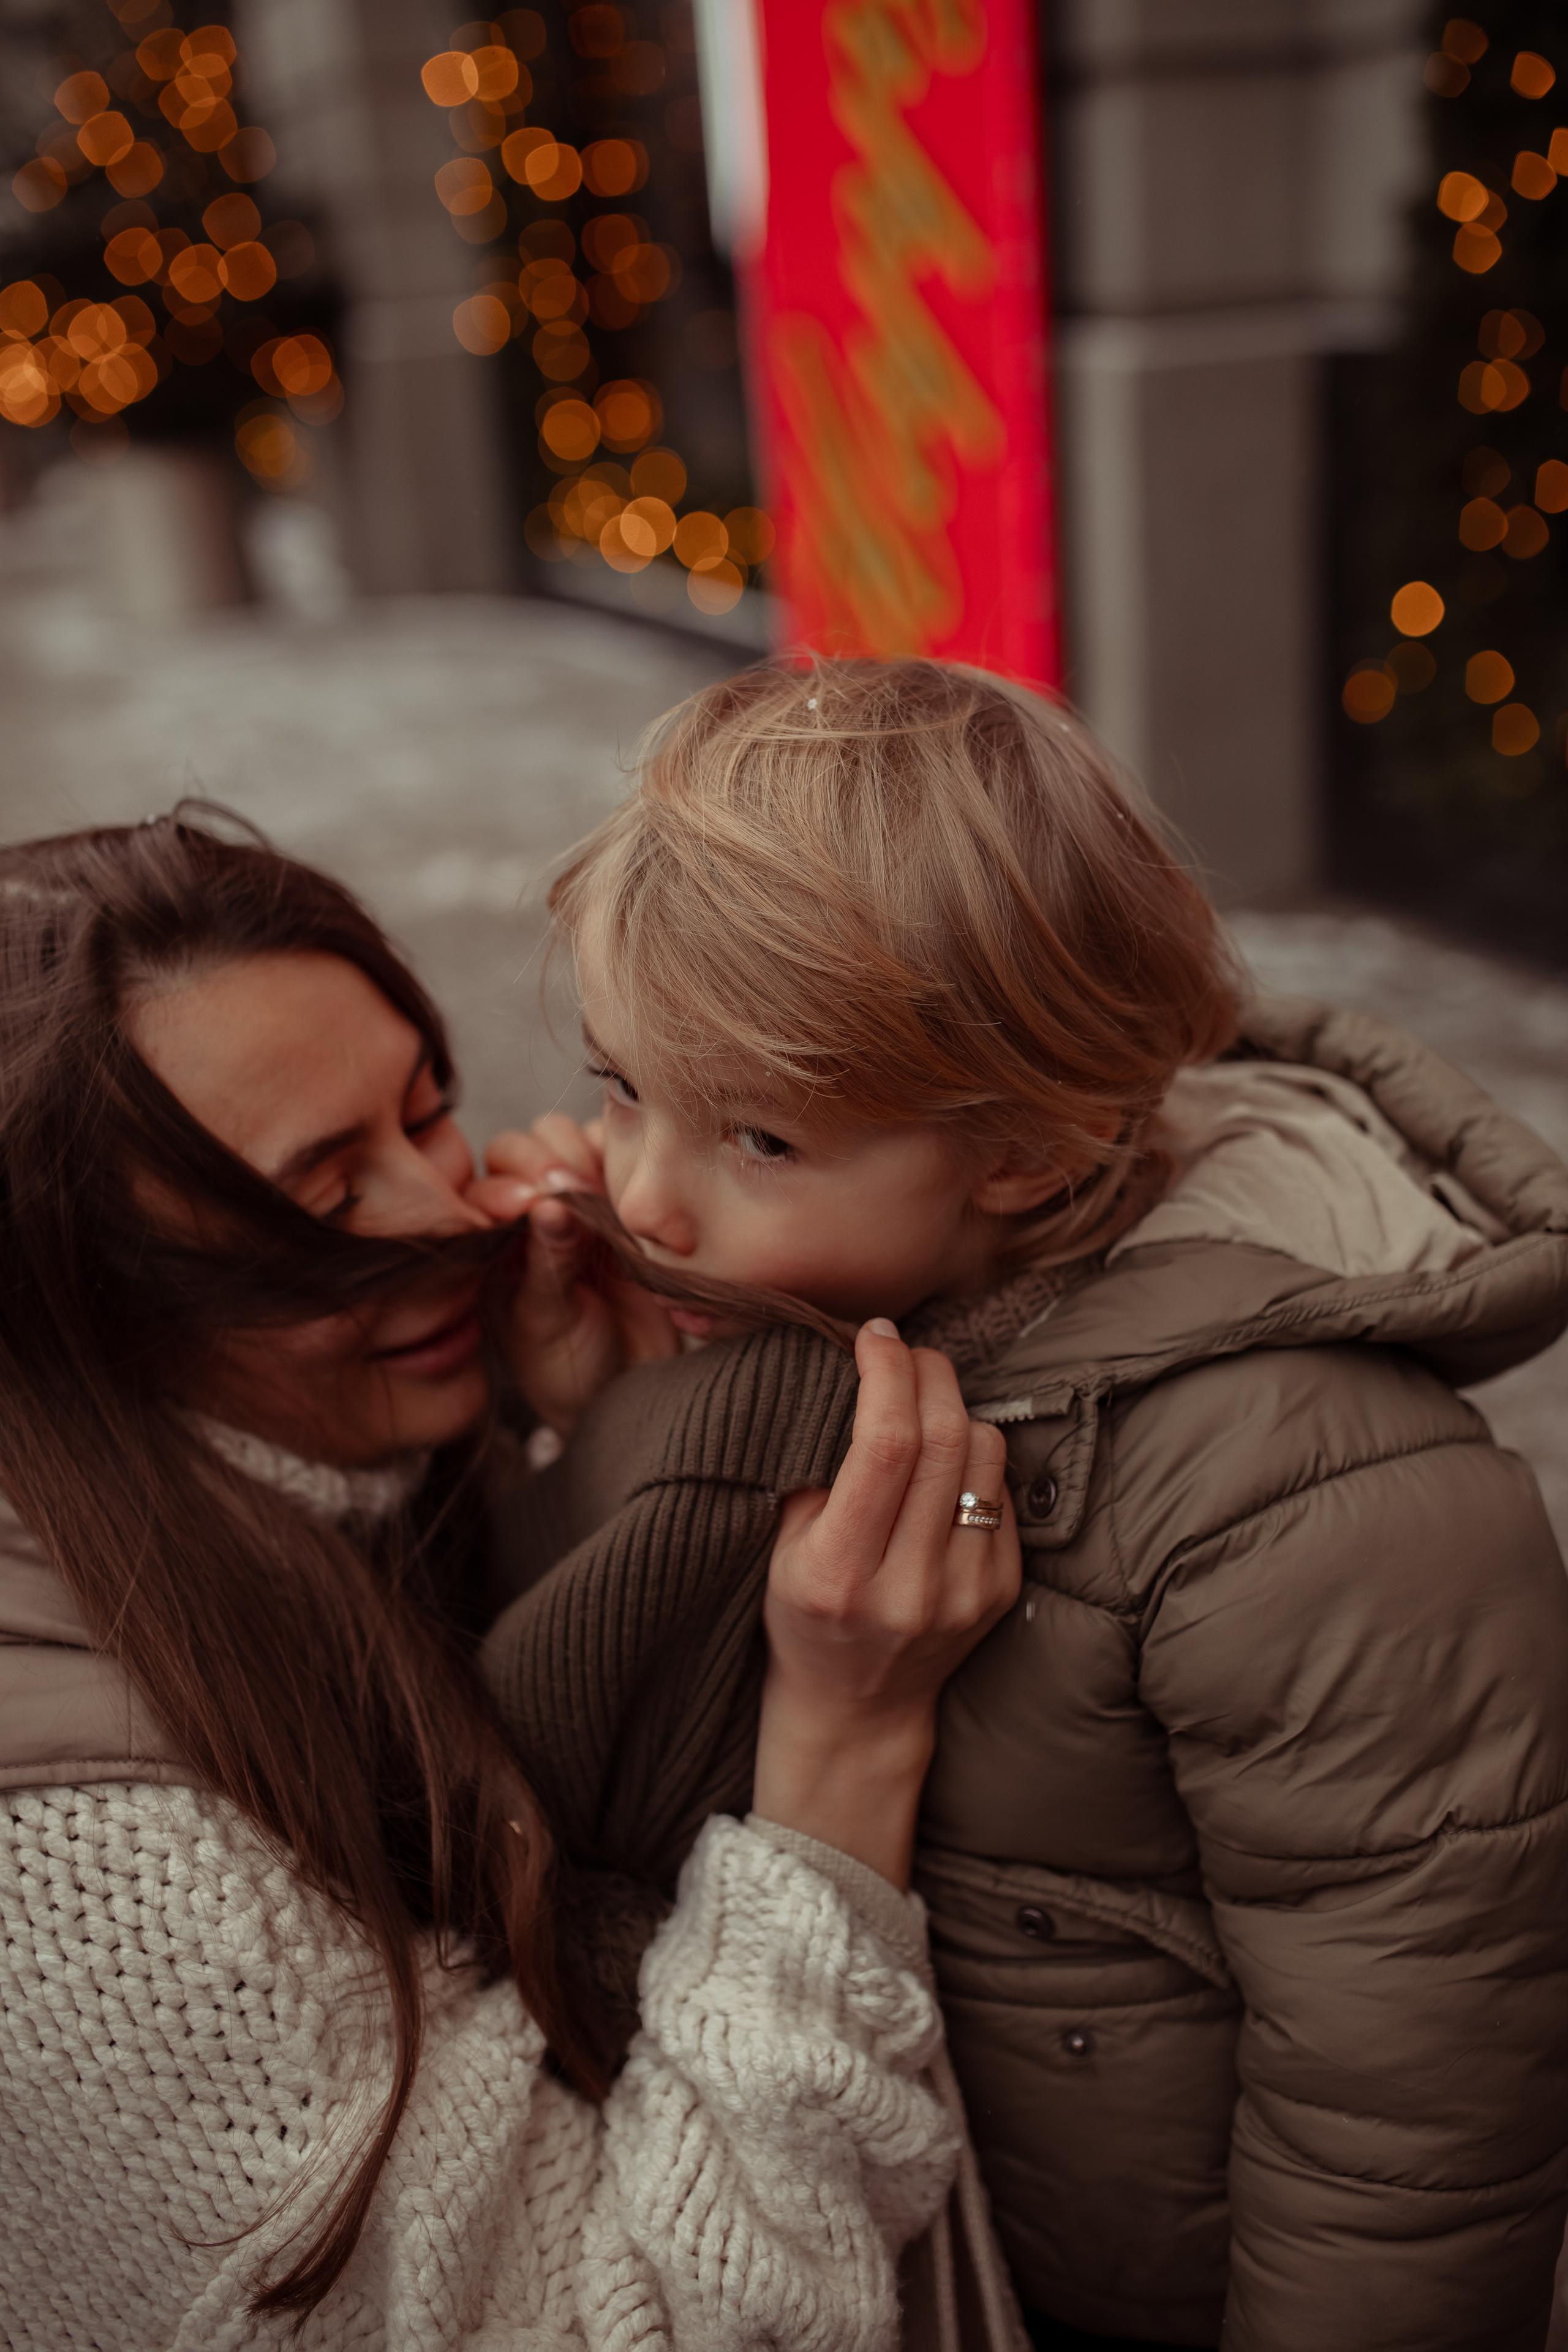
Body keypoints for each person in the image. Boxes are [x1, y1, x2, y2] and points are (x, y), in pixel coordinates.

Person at [476, 657, 1568, 2352]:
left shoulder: (1296, 1487)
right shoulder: (825, 1327)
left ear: (1028, 1153)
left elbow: (1414, 2107)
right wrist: (603, 1417)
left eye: (755, 1139)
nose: (643, 1197)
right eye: (624, 1088)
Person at [0, 811, 1022, 2350]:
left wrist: (580, 1440)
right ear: (85, 1314)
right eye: (323, 1200)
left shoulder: (302, 1480)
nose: (452, 1215)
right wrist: (842, 1757)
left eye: (426, 1114)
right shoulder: (113, 1901)